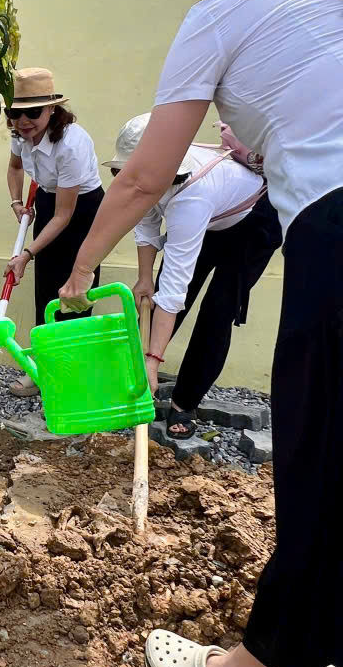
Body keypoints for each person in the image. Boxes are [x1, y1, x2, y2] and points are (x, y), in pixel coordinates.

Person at [57, 0, 343, 667]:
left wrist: (80, 274)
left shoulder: (223, 15)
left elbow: (143, 187)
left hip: (324, 231)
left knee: (319, 462)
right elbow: (152, 249)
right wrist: (136, 294)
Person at [104, 112, 282, 437]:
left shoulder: (191, 198)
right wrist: (144, 278)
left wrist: (153, 360)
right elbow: (145, 223)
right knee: (157, 296)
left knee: (218, 310)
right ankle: (134, 384)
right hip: (214, 215)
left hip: (253, 222)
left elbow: (174, 291)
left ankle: (184, 402)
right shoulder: (147, 181)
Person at [4, 68, 104, 397]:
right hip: (49, 200)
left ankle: (71, 381)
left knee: (75, 295)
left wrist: (26, 254)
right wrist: (17, 202)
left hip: (83, 212)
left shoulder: (71, 145)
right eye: (15, 113)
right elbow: (15, 167)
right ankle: (43, 371)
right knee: (46, 293)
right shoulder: (21, 135)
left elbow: (65, 215)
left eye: (33, 112)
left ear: (51, 109)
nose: (23, 121)